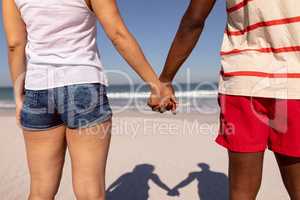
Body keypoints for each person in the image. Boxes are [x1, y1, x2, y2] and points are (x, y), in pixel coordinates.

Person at [2, 0, 175, 199]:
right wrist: (156, 85)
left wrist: (18, 97)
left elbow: (15, 45)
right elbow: (118, 34)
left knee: (40, 190)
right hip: (84, 85)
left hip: (37, 89)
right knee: (90, 192)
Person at [148, 0, 300, 199]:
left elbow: (194, 20)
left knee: (241, 192)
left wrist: (166, 79)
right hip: (294, 77)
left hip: (243, 80)